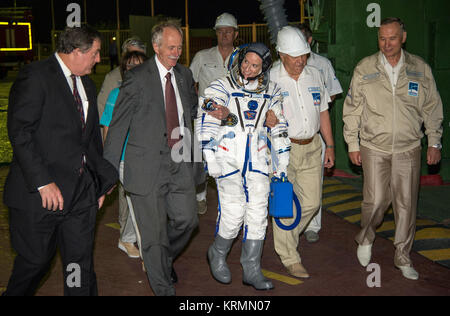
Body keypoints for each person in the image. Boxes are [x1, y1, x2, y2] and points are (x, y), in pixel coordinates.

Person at [2, 25, 118, 296]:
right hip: (40, 196)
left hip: (80, 195)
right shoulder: (36, 77)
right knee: (36, 262)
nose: (99, 59)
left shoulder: (86, 82)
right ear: (76, 52)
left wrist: (100, 182)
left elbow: (89, 140)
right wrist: (43, 182)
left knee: (79, 265)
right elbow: (20, 133)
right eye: (95, 53)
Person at [103, 20, 201, 296]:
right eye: (170, 47)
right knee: (153, 234)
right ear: (156, 46)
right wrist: (108, 173)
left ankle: (161, 259)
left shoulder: (183, 74)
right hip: (146, 166)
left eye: (179, 47)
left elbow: (188, 115)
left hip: (179, 161)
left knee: (188, 221)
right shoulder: (136, 78)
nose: (176, 52)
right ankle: (162, 286)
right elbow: (118, 126)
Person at [343, 17, 443, 280]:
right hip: (373, 146)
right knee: (374, 201)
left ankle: (402, 255)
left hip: (409, 147)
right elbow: (352, 110)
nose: (387, 44)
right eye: (382, 38)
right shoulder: (365, 68)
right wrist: (352, 143)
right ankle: (365, 237)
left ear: (403, 38)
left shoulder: (420, 69)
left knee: (406, 204)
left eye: (393, 38)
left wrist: (434, 141)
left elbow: (432, 108)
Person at [196, 42, 291, 290]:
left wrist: (282, 164)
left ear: (264, 68)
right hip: (227, 156)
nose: (249, 69)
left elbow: (280, 128)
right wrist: (211, 158)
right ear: (239, 60)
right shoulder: (221, 86)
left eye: (256, 65)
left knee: (259, 212)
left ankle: (251, 267)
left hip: (258, 158)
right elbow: (207, 118)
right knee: (234, 210)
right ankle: (217, 253)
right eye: (246, 63)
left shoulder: (273, 92)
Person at [269, 26, 335, 279]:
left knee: (312, 202)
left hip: (313, 147)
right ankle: (289, 256)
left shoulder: (315, 75)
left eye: (304, 56)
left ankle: (286, 235)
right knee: (285, 204)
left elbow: (323, 112)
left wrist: (329, 145)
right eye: (294, 56)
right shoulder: (270, 79)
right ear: (281, 54)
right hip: (283, 150)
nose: (300, 61)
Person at [100, 51, 149, 260]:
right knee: (138, 200)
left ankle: (127, 238)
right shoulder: (116, 94)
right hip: (123, 158)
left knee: (138, 199)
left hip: (146, 156)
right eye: (129, 66)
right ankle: (145, 249)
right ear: (124, 70)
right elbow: (107, 129)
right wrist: (109, 164)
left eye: (139, 66)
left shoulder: (152, 94)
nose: (134, 70)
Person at [190, 12, 239, 215]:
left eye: (228, 31)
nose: (224, 35)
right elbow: (190, 82)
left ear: (235, 34)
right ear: (216, 34)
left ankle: (228, 200)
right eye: (221, 31)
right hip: (206, 117)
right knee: (202, 158)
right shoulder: (202, 56)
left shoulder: (243, 57)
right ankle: (200, 197)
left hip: (232, 119)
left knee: (231, 158)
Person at [298, 23, 343, 243]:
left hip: (316, 131)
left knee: (315, 183)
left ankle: (312, 226)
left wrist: (313, 102)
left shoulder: (322, 65)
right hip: (293, 135)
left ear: (309, 41)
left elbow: (332, 93)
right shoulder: (283, 65)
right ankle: (291, 225)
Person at [97, 37, 147, 119]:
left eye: (139, 56)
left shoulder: (150, 76)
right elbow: (102, 107)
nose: (135, 59)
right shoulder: (113, 77)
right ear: (124, 56)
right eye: (131, 55)